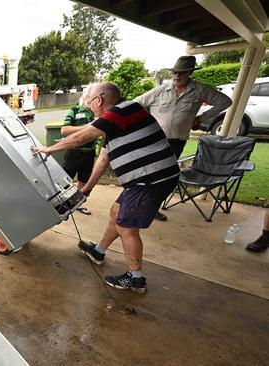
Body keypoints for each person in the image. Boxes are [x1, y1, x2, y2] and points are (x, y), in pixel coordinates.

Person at [31, 82, 179, 293]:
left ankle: (136, 279)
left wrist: (48, 149)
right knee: (116, 212)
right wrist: (87, 189)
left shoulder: (122, 110)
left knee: (126, 226)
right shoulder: (117, 121)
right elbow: (104, 158)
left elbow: (80, 137)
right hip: (148, 178)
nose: (90, 107)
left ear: (98, 100)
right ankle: (99, 251)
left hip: (151, 179)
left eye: (90, 102)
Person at [135, 55, 232, 221]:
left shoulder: (199, 90)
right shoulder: (160, 90)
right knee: (145, 174)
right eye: (175, 73)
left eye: (182, 73)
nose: (177, 76)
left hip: (175, 143)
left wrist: (202, 118)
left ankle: (152, 209)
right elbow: (136, 103)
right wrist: (145, 121)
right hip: (154, 141)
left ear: (190, 72)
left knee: (164, 178)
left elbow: (225, 101)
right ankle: (136, 206)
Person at [61, 85, 96, 215]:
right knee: (66, 179)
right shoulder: (75, 110)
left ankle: (75, 204)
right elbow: (64, 130)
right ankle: (61, 203)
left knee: (84, 179)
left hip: (89, 152)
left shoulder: (96, 113)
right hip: (74, 152)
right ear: (87, 97)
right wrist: (87, 127)